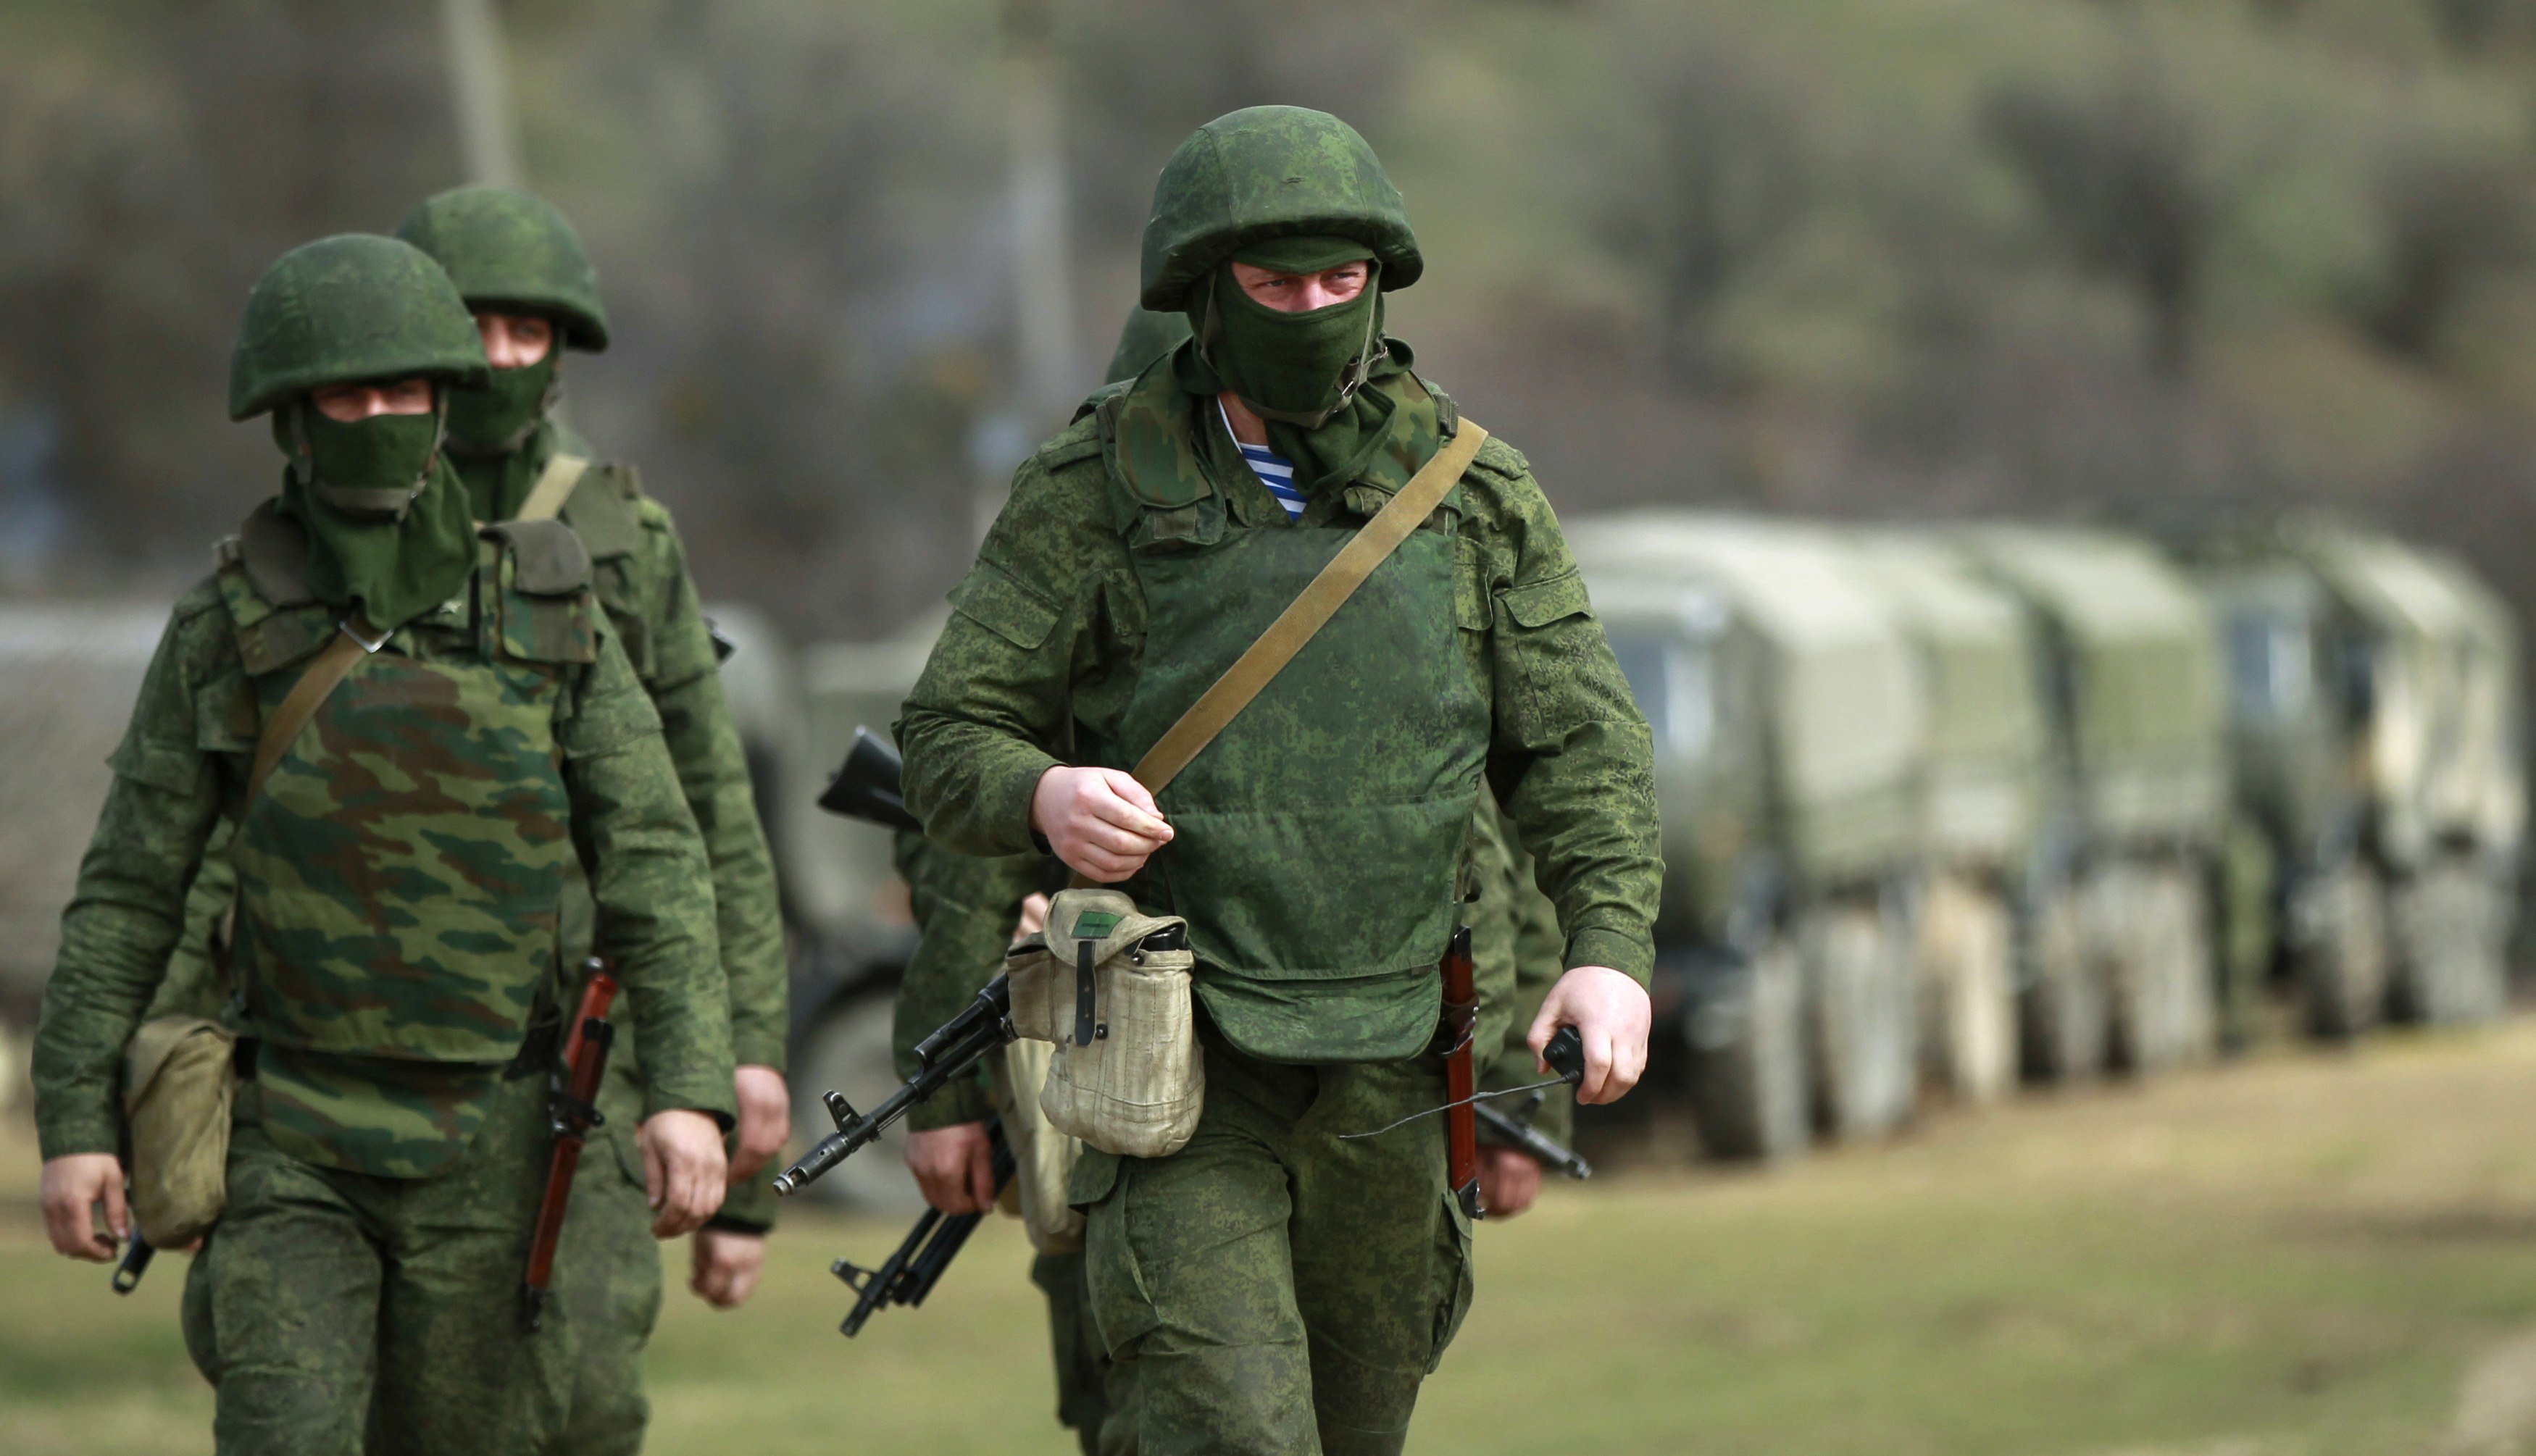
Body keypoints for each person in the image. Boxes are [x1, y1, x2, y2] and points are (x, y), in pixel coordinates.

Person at [896, 106, 1661, 1455]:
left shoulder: (1477, 499)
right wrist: (1042, 794)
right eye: (1271, 283)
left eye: (1338, 280)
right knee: (1234, 1432)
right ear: (1202, 287)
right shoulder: (1091, 494)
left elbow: (1581, 747)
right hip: (1179, 1071)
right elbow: (950, 729)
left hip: (1398, 1073)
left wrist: (1606, 950)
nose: (1310, 309)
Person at [30, 233, 735, 1456]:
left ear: (441, 402)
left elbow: (657, 865)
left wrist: (687, 1091)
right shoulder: (228, 626)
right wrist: (78, 1120)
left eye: (402, 392)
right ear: (291, 421)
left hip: (500, 1142)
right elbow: (129, 894)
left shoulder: (548, 610)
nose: (376, 417)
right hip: (289, 1140)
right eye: (343, 396)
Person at [395, 185, 790, 1453]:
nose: (499, 358)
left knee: (584, 1388)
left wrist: (748, 1080)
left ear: (561, 348)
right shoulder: (334, 532)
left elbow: (710, 817)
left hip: (589, 1033)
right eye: (472, 326)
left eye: (526, 330)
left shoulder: (626, 539)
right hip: (372, 1028)